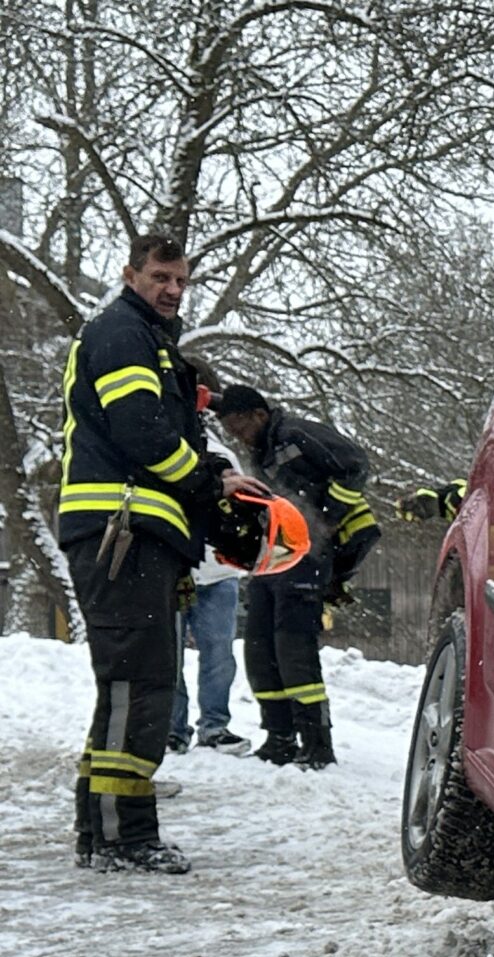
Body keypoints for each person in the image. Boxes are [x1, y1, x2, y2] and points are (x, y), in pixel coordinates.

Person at [55, 232, 240, 872]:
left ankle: (105, 830)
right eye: (161, 277)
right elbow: (142, 432)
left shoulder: (147, 342)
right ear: (130, 274)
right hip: (121, 530)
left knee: (133, 686)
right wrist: (207, 483)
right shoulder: (122, 335)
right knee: (139, 685)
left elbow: (163, 431)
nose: (172, 289)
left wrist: (215, 473)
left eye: (181, 280)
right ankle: (121, 838)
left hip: (133, 531)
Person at [209, 386, 378, 768]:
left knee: (293, 648)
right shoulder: (260, 448)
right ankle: (279, 737)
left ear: (258, 414)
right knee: (260, 647)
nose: (236, 433)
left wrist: (327, 517)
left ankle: (317, 743)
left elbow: (355, 464)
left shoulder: (295, 434)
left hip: (307, 554)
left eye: (238, 423)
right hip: (274, 557)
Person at [168, 561, 248, 753]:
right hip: (172, 572)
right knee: (168, 654)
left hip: (219, 573)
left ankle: (214, 727)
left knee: (219, 654)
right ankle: (172, 729)